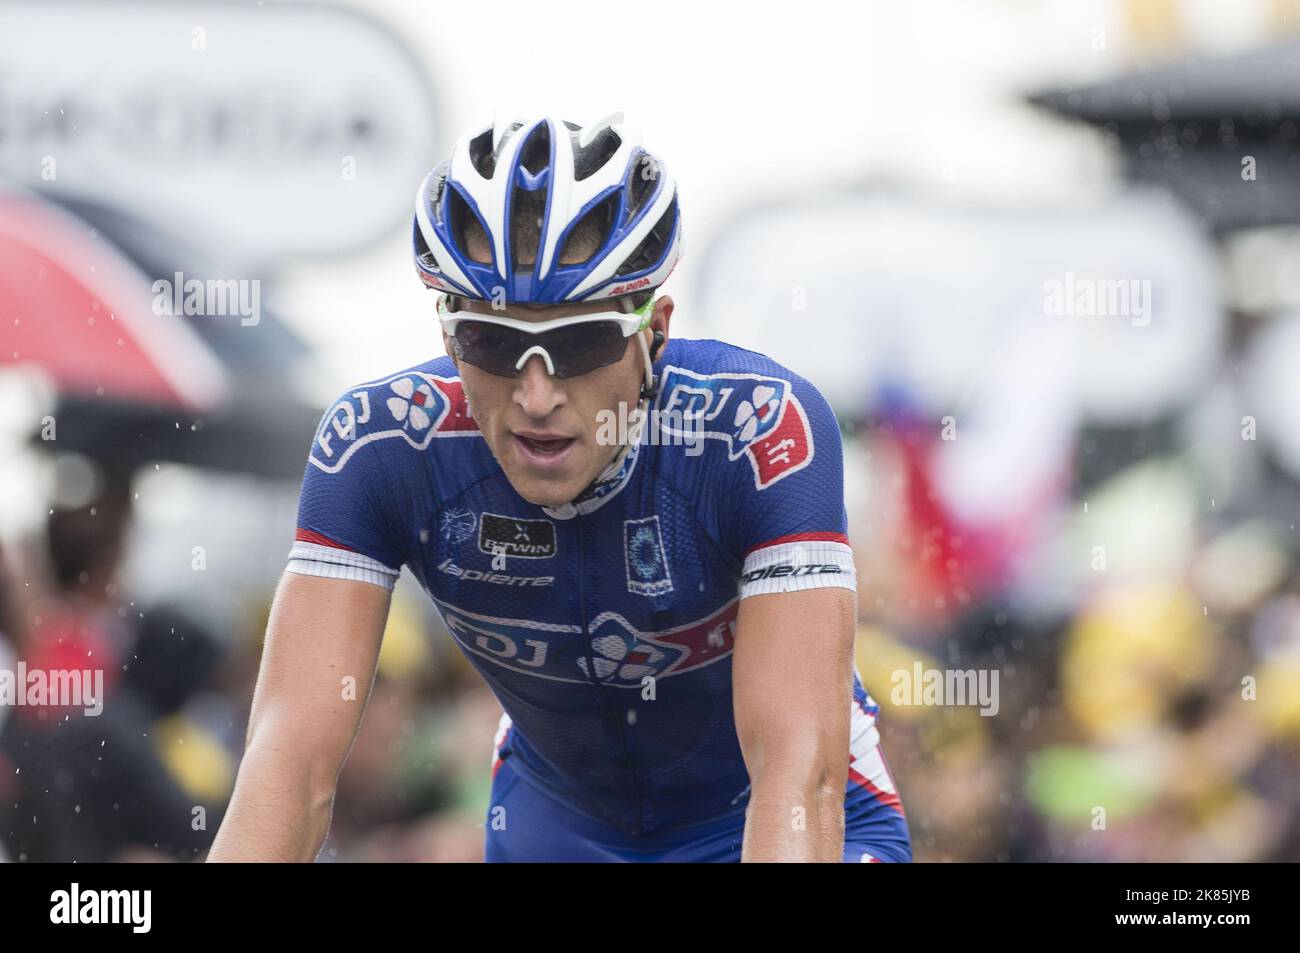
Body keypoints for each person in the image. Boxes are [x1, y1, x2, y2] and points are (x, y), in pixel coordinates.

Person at [209, 114, 909, 862]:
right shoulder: (379, 448)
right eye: (493, 341)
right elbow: (288, 763)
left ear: (655, 332)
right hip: (560, 827)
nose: (536, 395)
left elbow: (796, 779)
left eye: (578, 342)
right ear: (449, 340)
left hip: (759, 816)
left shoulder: (759, 433)